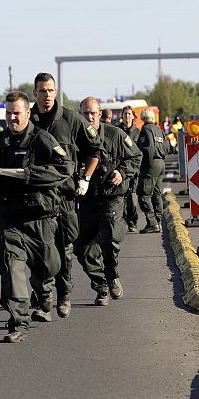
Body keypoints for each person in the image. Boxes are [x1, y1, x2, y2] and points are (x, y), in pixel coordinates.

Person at [0, 90, 74, 343]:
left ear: (28, 113)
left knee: (47, 267)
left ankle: (44, 293)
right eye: (10, 114)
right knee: (12, 266)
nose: (13, 119)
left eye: (18, 114)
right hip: (9, 219)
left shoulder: (42, 140)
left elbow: (65, 168)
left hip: (40, 218)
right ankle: (18, 322)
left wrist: (26, 175)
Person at [29, 73, 101, 320]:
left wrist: (85, 178)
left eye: (50, 90)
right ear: (34, 93)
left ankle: (64, 295)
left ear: (55, 91)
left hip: (65, 197)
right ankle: (43, 299)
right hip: (36, 199)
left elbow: (95, 150)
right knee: (39, 251)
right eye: (42, 90)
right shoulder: (27, 120)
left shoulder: (71, 119)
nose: (46, 94)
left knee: (65, 249)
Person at [76, 98, 141, 304]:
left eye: (93, 113)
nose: (90, 117)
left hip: (111, 198)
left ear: (100, 113)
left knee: (108, 236)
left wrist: (122, 172)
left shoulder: (115, 134)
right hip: (87, 200)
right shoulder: (75, 138)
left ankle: (112, 276)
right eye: (85, 113)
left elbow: (136, 157)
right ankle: (101, 285)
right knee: (81, 247)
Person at [136, 108, 167, 233]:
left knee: (143, 194)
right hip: (161, 163)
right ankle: (158, 221)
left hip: (151, 164)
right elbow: (166, 147)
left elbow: (146, 149)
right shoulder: (159, 129)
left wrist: (142, 165)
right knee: (156, 193)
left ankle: (152, 222)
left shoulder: (145, 130)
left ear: (142, 118)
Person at [120, 106, 141, 232]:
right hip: (120, 170)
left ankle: (133, 222)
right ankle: (123, 222)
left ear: (133, 116)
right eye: (125, 114)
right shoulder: (117, 131)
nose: (127, 116)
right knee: (120, 198)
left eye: (129, 114)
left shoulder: (138, 132)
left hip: (133, 170)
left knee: (132, 199)